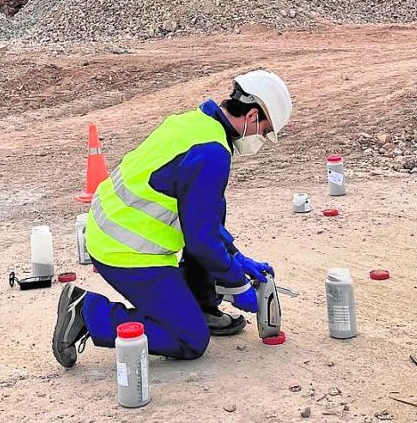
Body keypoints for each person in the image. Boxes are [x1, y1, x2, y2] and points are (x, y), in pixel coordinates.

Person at [51, 69, 293, 368]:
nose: (260, 138)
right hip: (125, 250)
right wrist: (238, 286)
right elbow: (202, 241)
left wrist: (236, 257)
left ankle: (200, 306)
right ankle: (87, 311)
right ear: (253, 115)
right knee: (189, 339)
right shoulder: (211, 154)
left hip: (112, 228)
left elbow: (204, 219)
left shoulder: (195, 124)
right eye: (264, 130)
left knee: (216, 205)